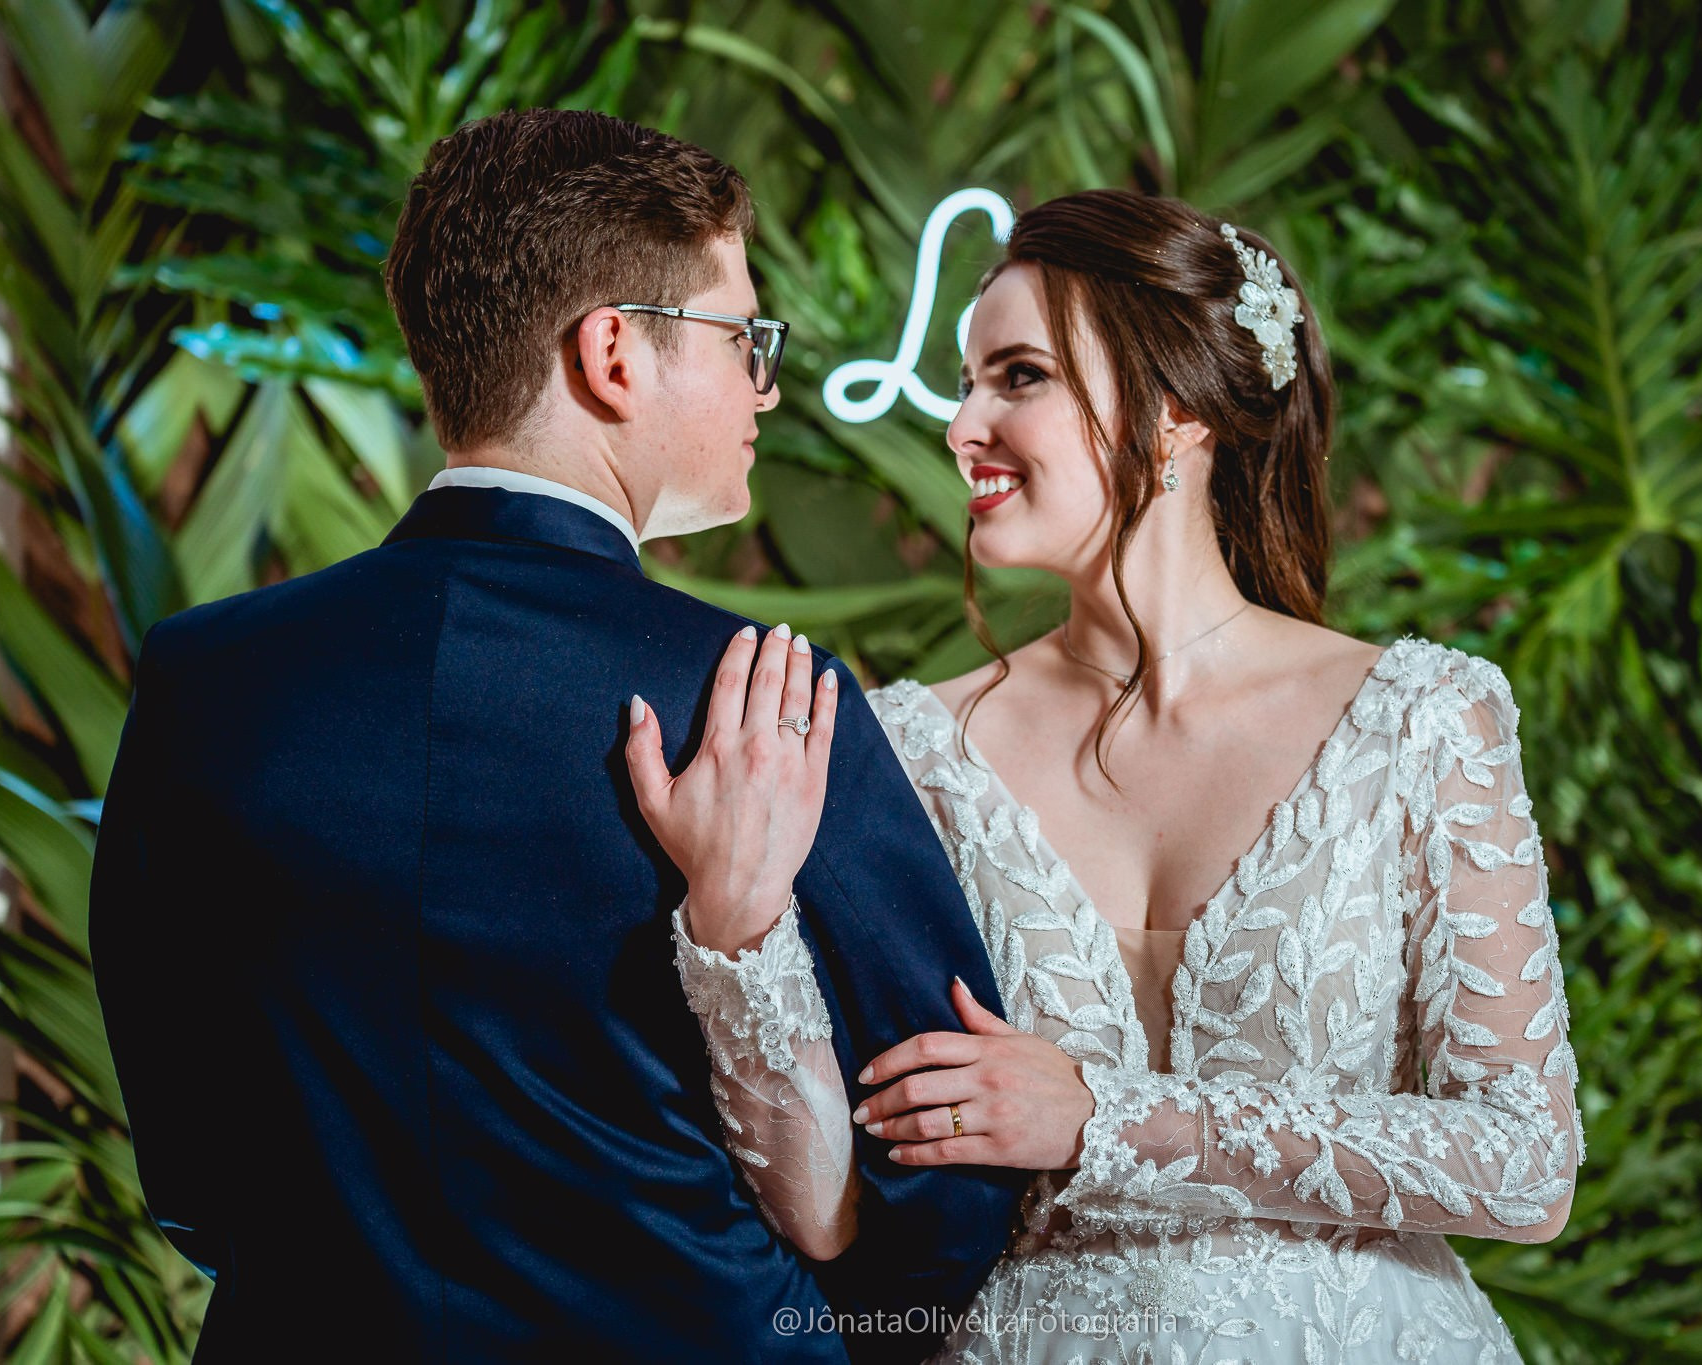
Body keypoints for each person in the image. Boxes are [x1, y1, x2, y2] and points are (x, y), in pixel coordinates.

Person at [88, 109, 1026, 1363]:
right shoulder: (754, 699)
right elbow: (948, 1175)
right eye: (744, 336)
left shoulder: (206, 681)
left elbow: (191, 1161)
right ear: (613, 356)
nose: (766, 382)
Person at [644, 189, 1583, 1362]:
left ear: (1176, 409)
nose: (960, 426)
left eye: (1018, 376)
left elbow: (1525, 1168)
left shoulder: (1422, 722)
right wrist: (736, 932)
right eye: (968, 381)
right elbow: (827, 1210)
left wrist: (1103, 1117)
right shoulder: (905, 753)